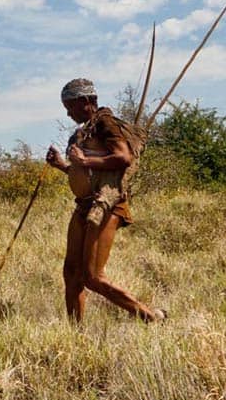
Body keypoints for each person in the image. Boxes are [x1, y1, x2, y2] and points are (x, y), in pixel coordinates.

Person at [45, 78, 165, 324]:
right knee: (71, 273)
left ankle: (148, 315)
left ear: (86, 101)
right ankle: (75, 333)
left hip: (107, 206)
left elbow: (122, 157)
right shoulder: (83, 131)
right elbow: (87, 174)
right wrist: (62, 166)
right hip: (84, 205)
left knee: (93, 277)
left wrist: (85, 161)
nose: (68, 113)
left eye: (70, 107)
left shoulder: (105, 124)